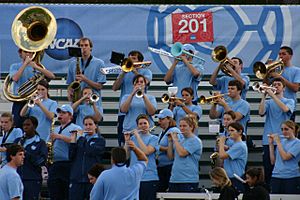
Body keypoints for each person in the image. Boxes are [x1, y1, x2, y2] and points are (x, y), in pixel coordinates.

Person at [258, 78, 295, 185]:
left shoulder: (289, 101)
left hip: (283, 141)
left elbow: (285, 109)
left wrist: (272, 95)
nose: (276, 86)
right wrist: (264, 95)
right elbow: (261, 112)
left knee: (281, 168)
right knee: (268, 169)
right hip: (268, 140)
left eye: (278, 84)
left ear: (284, 88)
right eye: (274, 84)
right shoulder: (269, 102)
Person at [112, 50, 152, 146]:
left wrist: (134, 70)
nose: (131, 61)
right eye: (129, 58)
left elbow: (145, 82)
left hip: (140, 109)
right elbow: (114, 88)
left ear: (140, 61)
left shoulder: (146, 71)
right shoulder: (125, 72)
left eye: (133, 59)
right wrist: (123, 72)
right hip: (125, 110)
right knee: (123, 140)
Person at [9, 48, 55, 128]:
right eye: (25, 51)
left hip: (35, 101)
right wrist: (25, 64)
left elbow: (52, 76)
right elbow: (15, 78)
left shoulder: (37, 66)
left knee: (33, 126)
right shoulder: (15, 66)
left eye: (30, 52)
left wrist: (37, 67)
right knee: (18, 125)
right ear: (20, 53)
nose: (28, 54)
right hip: (20, 100)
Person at [47, 105, 81, 200]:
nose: (60, 115)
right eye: (59, 113)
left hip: (68, 164)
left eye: (63, 113)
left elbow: (76, 141)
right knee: (54, 192)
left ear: (70, 116)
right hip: (54, 164)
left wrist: (59, 137)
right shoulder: (55, 129)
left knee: (66, 193)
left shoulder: (76, 127)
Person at [69, 116, 106, 200]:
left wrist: (81, 138)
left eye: (90, 124)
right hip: (77, 179)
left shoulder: (100, 140)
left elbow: (90, 151)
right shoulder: (80, 140)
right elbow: (70, 156)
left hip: (92, 180)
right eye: (85, 125)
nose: (88, 127)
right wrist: (73, 141)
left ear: (95, 126)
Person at [124, 114, 159, 200]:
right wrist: (127, 141)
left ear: (149, 124)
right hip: (134, 177)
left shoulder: (154, 138)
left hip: (149, 177)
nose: (143, 125)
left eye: (145, 123)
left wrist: (137, 136)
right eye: (140, 124)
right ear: (137, 126)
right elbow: (125, 157)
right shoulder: (132, 138)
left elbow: (146, 151)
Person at [14, 116, 48, 200]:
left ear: (35, 126)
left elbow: (41, 162)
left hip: (32, 179)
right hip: (17, 178)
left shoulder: (40, 143)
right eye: (24, 125)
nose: (25, 127)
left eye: (28, 125)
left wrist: (26, 153)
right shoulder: (18, 141)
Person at [66, 37, 106, 106]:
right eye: (81, 46)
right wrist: (69, 92)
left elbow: (99, 86)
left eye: (86, 45)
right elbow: (70, 84)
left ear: (91, 48)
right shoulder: (72, 64)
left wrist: (84, 79)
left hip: (93, 103)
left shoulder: (99, 63)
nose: (83, 48)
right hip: (77, 103)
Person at [167, 116, 202, 192]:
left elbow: (182, 153)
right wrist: (170, 142)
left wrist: (175, 140)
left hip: (188, 180)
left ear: (191, 127)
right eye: (180, 126)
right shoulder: (181, 141)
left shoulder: (195, 140)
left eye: (184, 126)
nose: (182, 128)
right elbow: (170, 157)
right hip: (174, 179)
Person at [269, 46, 300, 121]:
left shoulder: (297, 70)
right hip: (274, 105)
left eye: (283, 54)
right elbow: (266, 85)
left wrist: (279, 77)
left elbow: (295, 88)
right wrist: (268, 72)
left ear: (290, 56)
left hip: (289, 106)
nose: (281, 56)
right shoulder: (275, 70)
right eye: (279, 54)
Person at [269, 120, 300, 194]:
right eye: (282, 129)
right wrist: (271, 144)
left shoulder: (297, 143)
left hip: (291, 177)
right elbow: (273, 161)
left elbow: (285, 157)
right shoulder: (282, 142)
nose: (283, 132)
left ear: (293, 129)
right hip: (276, 176)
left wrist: (278, 142)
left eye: (286, 129)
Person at [156, 109, 181, 192]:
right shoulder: (163, 132)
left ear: (169, 119)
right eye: (159, 119)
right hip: (162, 166)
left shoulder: (174, 131)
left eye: (162, 119)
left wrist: (159, 148)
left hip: (169, 167)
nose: (159, 121)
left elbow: (176, 148)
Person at [218, 122, 248, 192]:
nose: (229, 133)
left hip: (236, 178)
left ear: (240, 132)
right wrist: (226, 148)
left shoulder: (240, 145)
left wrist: (222, 143)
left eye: (232, 130)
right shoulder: (235, 145)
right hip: (230, 177)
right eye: (229, 131)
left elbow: (222, 156)